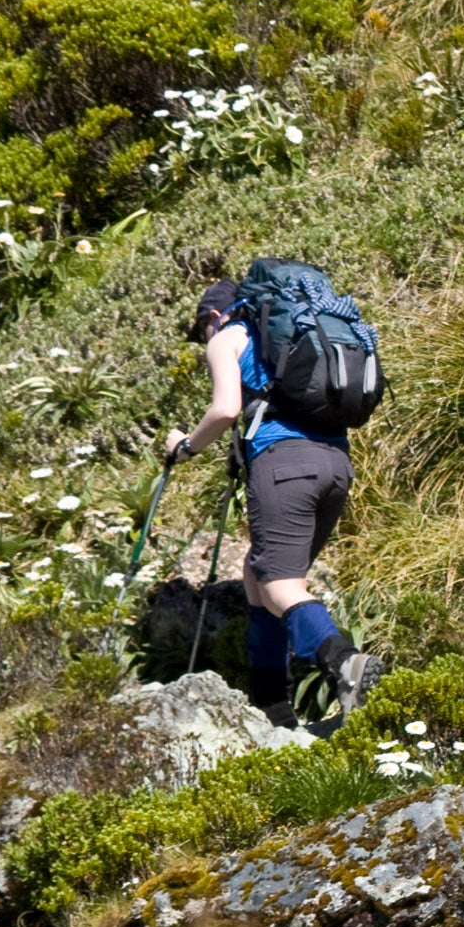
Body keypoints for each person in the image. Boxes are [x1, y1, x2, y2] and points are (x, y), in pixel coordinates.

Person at [161, 280, 381, 726]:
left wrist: (185, 446)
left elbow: (225, 410)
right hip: (336, 464)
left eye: (202, 329)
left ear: (213, 316)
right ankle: (273, 704)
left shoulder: (228, 337)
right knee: (258, 574)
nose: (205, 337)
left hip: (285, 465)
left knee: (280, 584)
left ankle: (344, 663)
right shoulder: (292, 337)